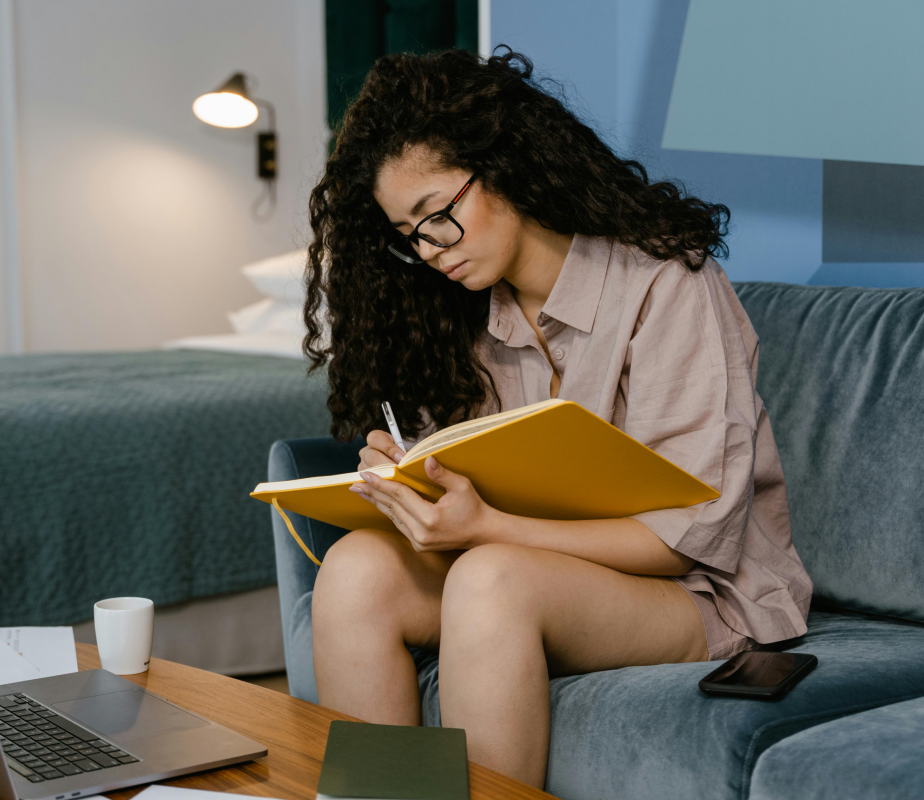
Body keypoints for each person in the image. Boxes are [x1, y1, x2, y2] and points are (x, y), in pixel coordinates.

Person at [301, 48, 813, 789]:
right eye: (409, 235)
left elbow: (691, 535)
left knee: (490, 579)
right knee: (353, 571)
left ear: (505, 165)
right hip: (542, 566)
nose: (430, 247)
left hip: (702, 592)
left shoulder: (667, 282)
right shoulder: (473, 318)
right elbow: (495, 491)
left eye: (438, 215)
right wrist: (415, 478)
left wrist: (485, 528)